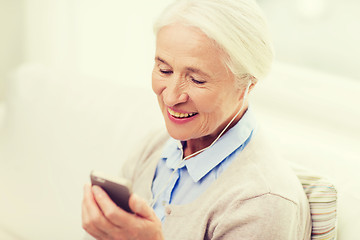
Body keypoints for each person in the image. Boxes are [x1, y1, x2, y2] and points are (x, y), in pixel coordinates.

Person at [82, 0, 312, 239]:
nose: (171, 97)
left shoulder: (264, 203)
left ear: (246, 85)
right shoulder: (157, 146)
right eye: (164, 70)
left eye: (197, 80)